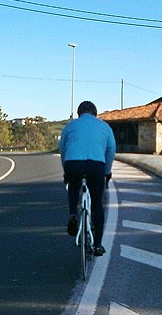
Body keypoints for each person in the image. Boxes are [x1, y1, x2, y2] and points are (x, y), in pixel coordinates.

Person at [58, 101, 116, 257]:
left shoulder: (71, 126)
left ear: (79, 113)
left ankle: (73, 215)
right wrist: (107, 172)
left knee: (73, 186)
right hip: (96, 166)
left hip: (73, 163)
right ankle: (97, 245)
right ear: (95, 113)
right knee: (97, 204)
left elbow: (62, 149)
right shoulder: (104, 127)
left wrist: (66, 170)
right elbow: (111, 150)